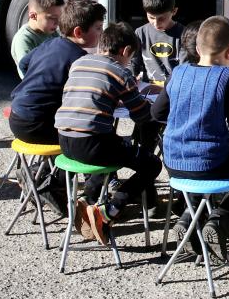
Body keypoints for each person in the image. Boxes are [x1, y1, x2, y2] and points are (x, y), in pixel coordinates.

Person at [157, 16, 229, 259]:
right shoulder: (227, 78)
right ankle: (220, 219)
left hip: (173, 164)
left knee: (205, 174)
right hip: (209, 162)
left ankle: (188, 218)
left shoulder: (178, 72)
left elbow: (157, 113)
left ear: (197, 49)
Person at [55, 22, 161, 245]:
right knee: (151, 164)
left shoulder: (79, 63)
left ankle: (86, 198)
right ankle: (110, 209)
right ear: (126, 51)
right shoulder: (121, 72)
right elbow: (141, 116)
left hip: (64, 140)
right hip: (93, 144)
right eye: (130, 58)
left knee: (111, 153)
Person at [9, 0, 105, 146]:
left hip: (16, 117)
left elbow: (23, 64)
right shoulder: (79, 59)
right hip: (38, 126)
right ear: (78, 32)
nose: (102, 32)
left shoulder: (49, 43)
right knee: (93, 137)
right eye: (98, 28)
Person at [133, 0, 184, 83]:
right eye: (151, 17)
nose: (156, 23)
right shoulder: (140, 32)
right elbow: (133, 62)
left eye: (161, 18)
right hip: (147, 86)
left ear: (174, 11)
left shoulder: (184, 34)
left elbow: (185, 68)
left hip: (173, 87)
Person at [9, 0, 64, 78]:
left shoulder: (52, 32)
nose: (57, 22)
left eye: (59, 17)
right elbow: (30, 70)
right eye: (52, 18)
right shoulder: (23, 39)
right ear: (33, 16)